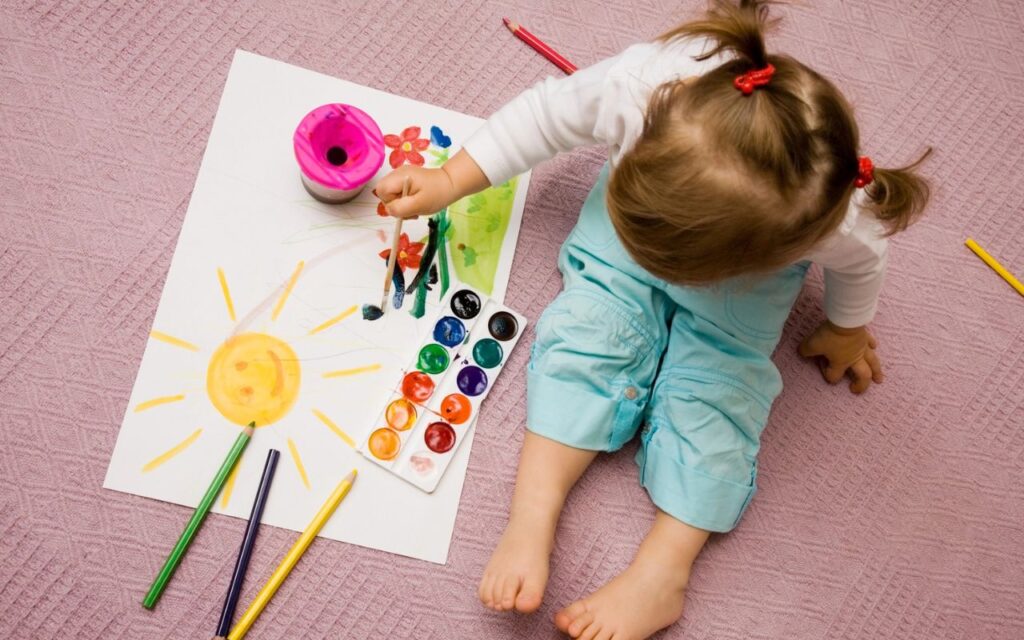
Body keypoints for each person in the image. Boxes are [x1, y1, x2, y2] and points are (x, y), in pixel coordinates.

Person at [375, 1, 930, 637]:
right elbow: (542, 117)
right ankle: (533, 514)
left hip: (744, 287)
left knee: (722, 401)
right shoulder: (642, 87)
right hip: (624, 235)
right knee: (583, 339)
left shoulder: (833, 213)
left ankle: (664, 571)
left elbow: (863, 266)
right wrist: (451, 180)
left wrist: (845, 328)